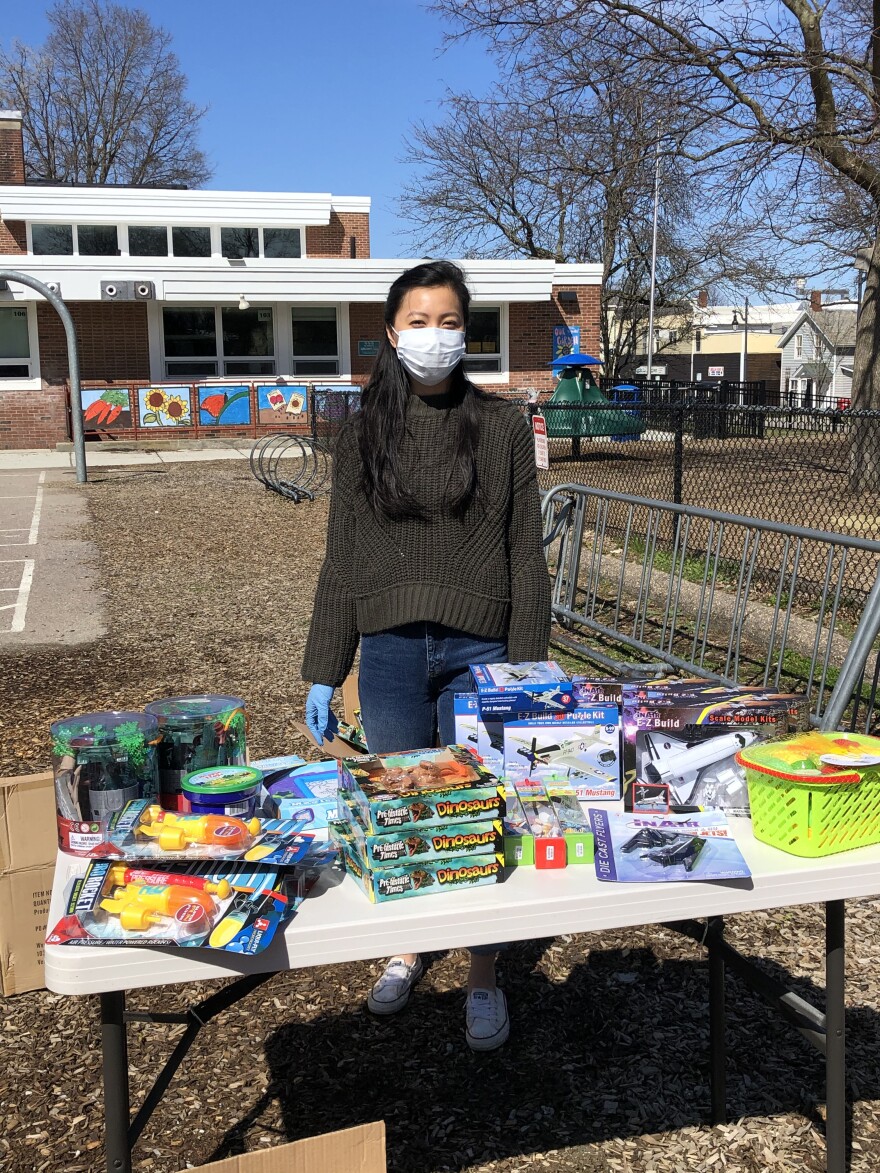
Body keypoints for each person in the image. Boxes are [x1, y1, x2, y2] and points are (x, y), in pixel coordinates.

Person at [302, 259, 550, 1051]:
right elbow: (343, 555)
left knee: (479, 812)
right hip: (392, 655)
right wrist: (323, 664)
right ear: (390, 331)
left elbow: (523, 554)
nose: (433, 336)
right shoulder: (362, 430)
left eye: (449, 322)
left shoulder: (503, 426)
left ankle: (484, 968)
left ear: (466, 334)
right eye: (418, 321)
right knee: (403, 807)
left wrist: (529, 667)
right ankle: (408, 944)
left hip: (482, 649)